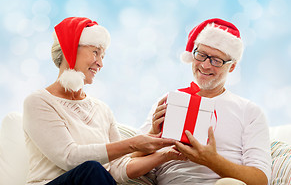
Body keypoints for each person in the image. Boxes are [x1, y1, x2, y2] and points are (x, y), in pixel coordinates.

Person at [23, 17, 185, 185]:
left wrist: (166, 155)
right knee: (92, 170)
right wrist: (133, 144)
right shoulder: (38, 102)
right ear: (69, 49)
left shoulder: (102, 109)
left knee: (96, 172)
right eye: (95, 52)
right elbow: (69, 158)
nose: (100, 63)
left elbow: (117, 170)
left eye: (103, 56)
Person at [140, 18, 272, 185]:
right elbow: (129, 160)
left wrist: (211, 160)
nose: (205, 65)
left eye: (216, 60)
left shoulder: (249, 111)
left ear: (231, 66)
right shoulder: (168, 101)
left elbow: (261, 180)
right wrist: (153, 132)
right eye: (201, 55)